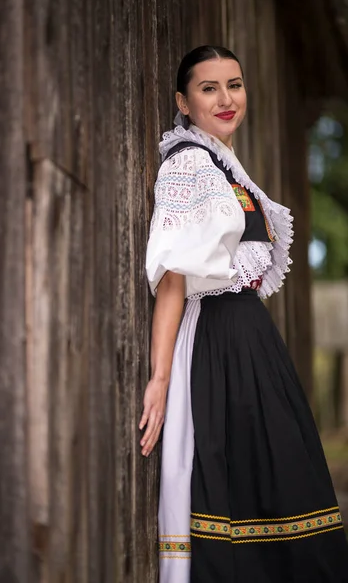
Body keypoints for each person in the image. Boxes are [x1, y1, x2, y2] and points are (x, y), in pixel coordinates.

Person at [140, 45, 348, 582]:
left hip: (250, 340)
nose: (227, 99)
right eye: (209, 89)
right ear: (183, 103)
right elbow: (173, 278)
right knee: (244, 489)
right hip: (218, 342)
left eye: (234, 84)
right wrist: (160, 377)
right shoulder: (189, 164)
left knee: (284, 483)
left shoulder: (224, 164)